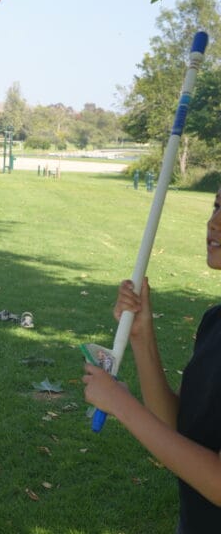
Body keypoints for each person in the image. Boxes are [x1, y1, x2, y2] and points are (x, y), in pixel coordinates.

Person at [83, 186, 221, 534]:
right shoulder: (214, 322)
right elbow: (177, 427)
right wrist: (142, 337)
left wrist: (121, 403)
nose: (215, 223)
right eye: (217, 205)